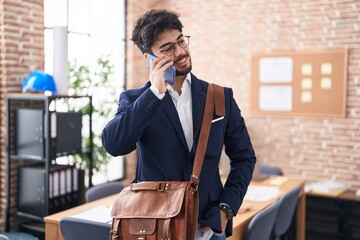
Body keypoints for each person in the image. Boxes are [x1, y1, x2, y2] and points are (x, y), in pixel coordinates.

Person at [102, 9, 256, 240]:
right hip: (155, 226)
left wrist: (226, 208)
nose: (181, 52)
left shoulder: (221, 97)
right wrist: (155, 93)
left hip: (209, 228)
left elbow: (244, 157)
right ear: (149, 59)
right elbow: (114, 145)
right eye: (167, 49)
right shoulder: (137, 100)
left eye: (181, 41)